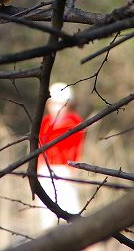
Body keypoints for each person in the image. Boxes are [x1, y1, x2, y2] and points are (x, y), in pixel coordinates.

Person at [37, 82, 86, 230]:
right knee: (46, 212)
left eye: (61, 103)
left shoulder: (74, 122)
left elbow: (76, 146)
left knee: (71, 207)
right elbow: (39, 145)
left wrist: (72, 166)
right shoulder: (44, 122)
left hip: (65, 170)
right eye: (53, 103)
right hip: (45, 169)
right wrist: (39, 165)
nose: (57, 107)